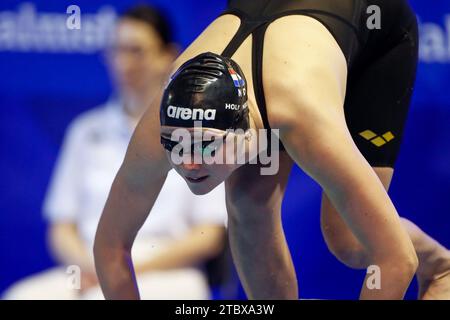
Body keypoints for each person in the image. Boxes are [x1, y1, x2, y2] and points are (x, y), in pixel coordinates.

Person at [94, 0, 450, 300]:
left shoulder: (300, 115)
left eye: (207, 146)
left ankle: (441, 265)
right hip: (274, 34)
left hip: (373, 25)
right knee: (248, 203)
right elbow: (111, 247)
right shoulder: (161, 124)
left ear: (248, 130)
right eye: (176, 144)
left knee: (350, 240)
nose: (189, 162)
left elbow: (395, 260)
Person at [3, 4, 227, 300]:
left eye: (136, 51)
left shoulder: (194, 132)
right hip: (91, 269)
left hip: (169, 273)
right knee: (22, 296)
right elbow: (61, 227)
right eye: (117, 51)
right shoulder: (85, 131)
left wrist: (125, 268)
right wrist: (96, 266)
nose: (124, 64)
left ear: (168, 55)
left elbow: (209, 235)